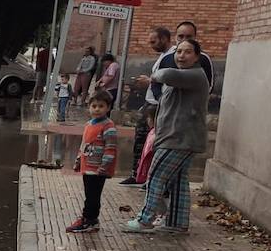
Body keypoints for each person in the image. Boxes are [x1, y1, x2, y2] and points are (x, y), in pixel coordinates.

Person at [123, 39, 211, 235]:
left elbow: (166, 73)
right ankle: (177, 223)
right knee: (178, 181)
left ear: (197, 56)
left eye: (187, 52)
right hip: (175, 137)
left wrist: (152, 77)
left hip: (179, 139)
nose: (181, 55)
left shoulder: (195, 75)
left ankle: (145, 220)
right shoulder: (181, 77)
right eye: (179, 51)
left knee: (155, 177)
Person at [118, 27, 174, 186]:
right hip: (150, 102)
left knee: (152, 142)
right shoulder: (163, 56)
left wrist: (149, 82)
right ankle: (138, 174)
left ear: (164, 38)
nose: (151, 45)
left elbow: (167, 81)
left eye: (153, 41)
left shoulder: (171, 56)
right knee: (141, 139)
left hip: (158, 104)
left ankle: (148, 178)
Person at [66, 90, 120, 234]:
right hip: (87, 166)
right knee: (89, 194)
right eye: (94, 106)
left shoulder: (108, 126)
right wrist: (78, 160)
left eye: (101, 106)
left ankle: (88, 220)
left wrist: (104, 166)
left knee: (93, 196)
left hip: (98, 169)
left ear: (108, 108)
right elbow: (84, 144)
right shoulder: (89, 124)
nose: (97, 109)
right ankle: (90, 219)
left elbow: (110, 148)